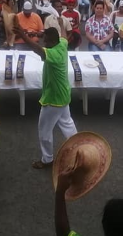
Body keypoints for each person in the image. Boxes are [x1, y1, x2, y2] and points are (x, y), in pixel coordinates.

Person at [13, 21, 78, 170]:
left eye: (47, 41)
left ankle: (47, 159)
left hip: (53, 99)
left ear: (53, 42)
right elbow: (63, 36)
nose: (44, 43)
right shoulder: (62, 44)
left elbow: (37, 49)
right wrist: (61, 23)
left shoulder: (54, 54)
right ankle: (79, 148)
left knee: (44, 130)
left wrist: (23, 35)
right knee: (67, 123)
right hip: (64, 94)